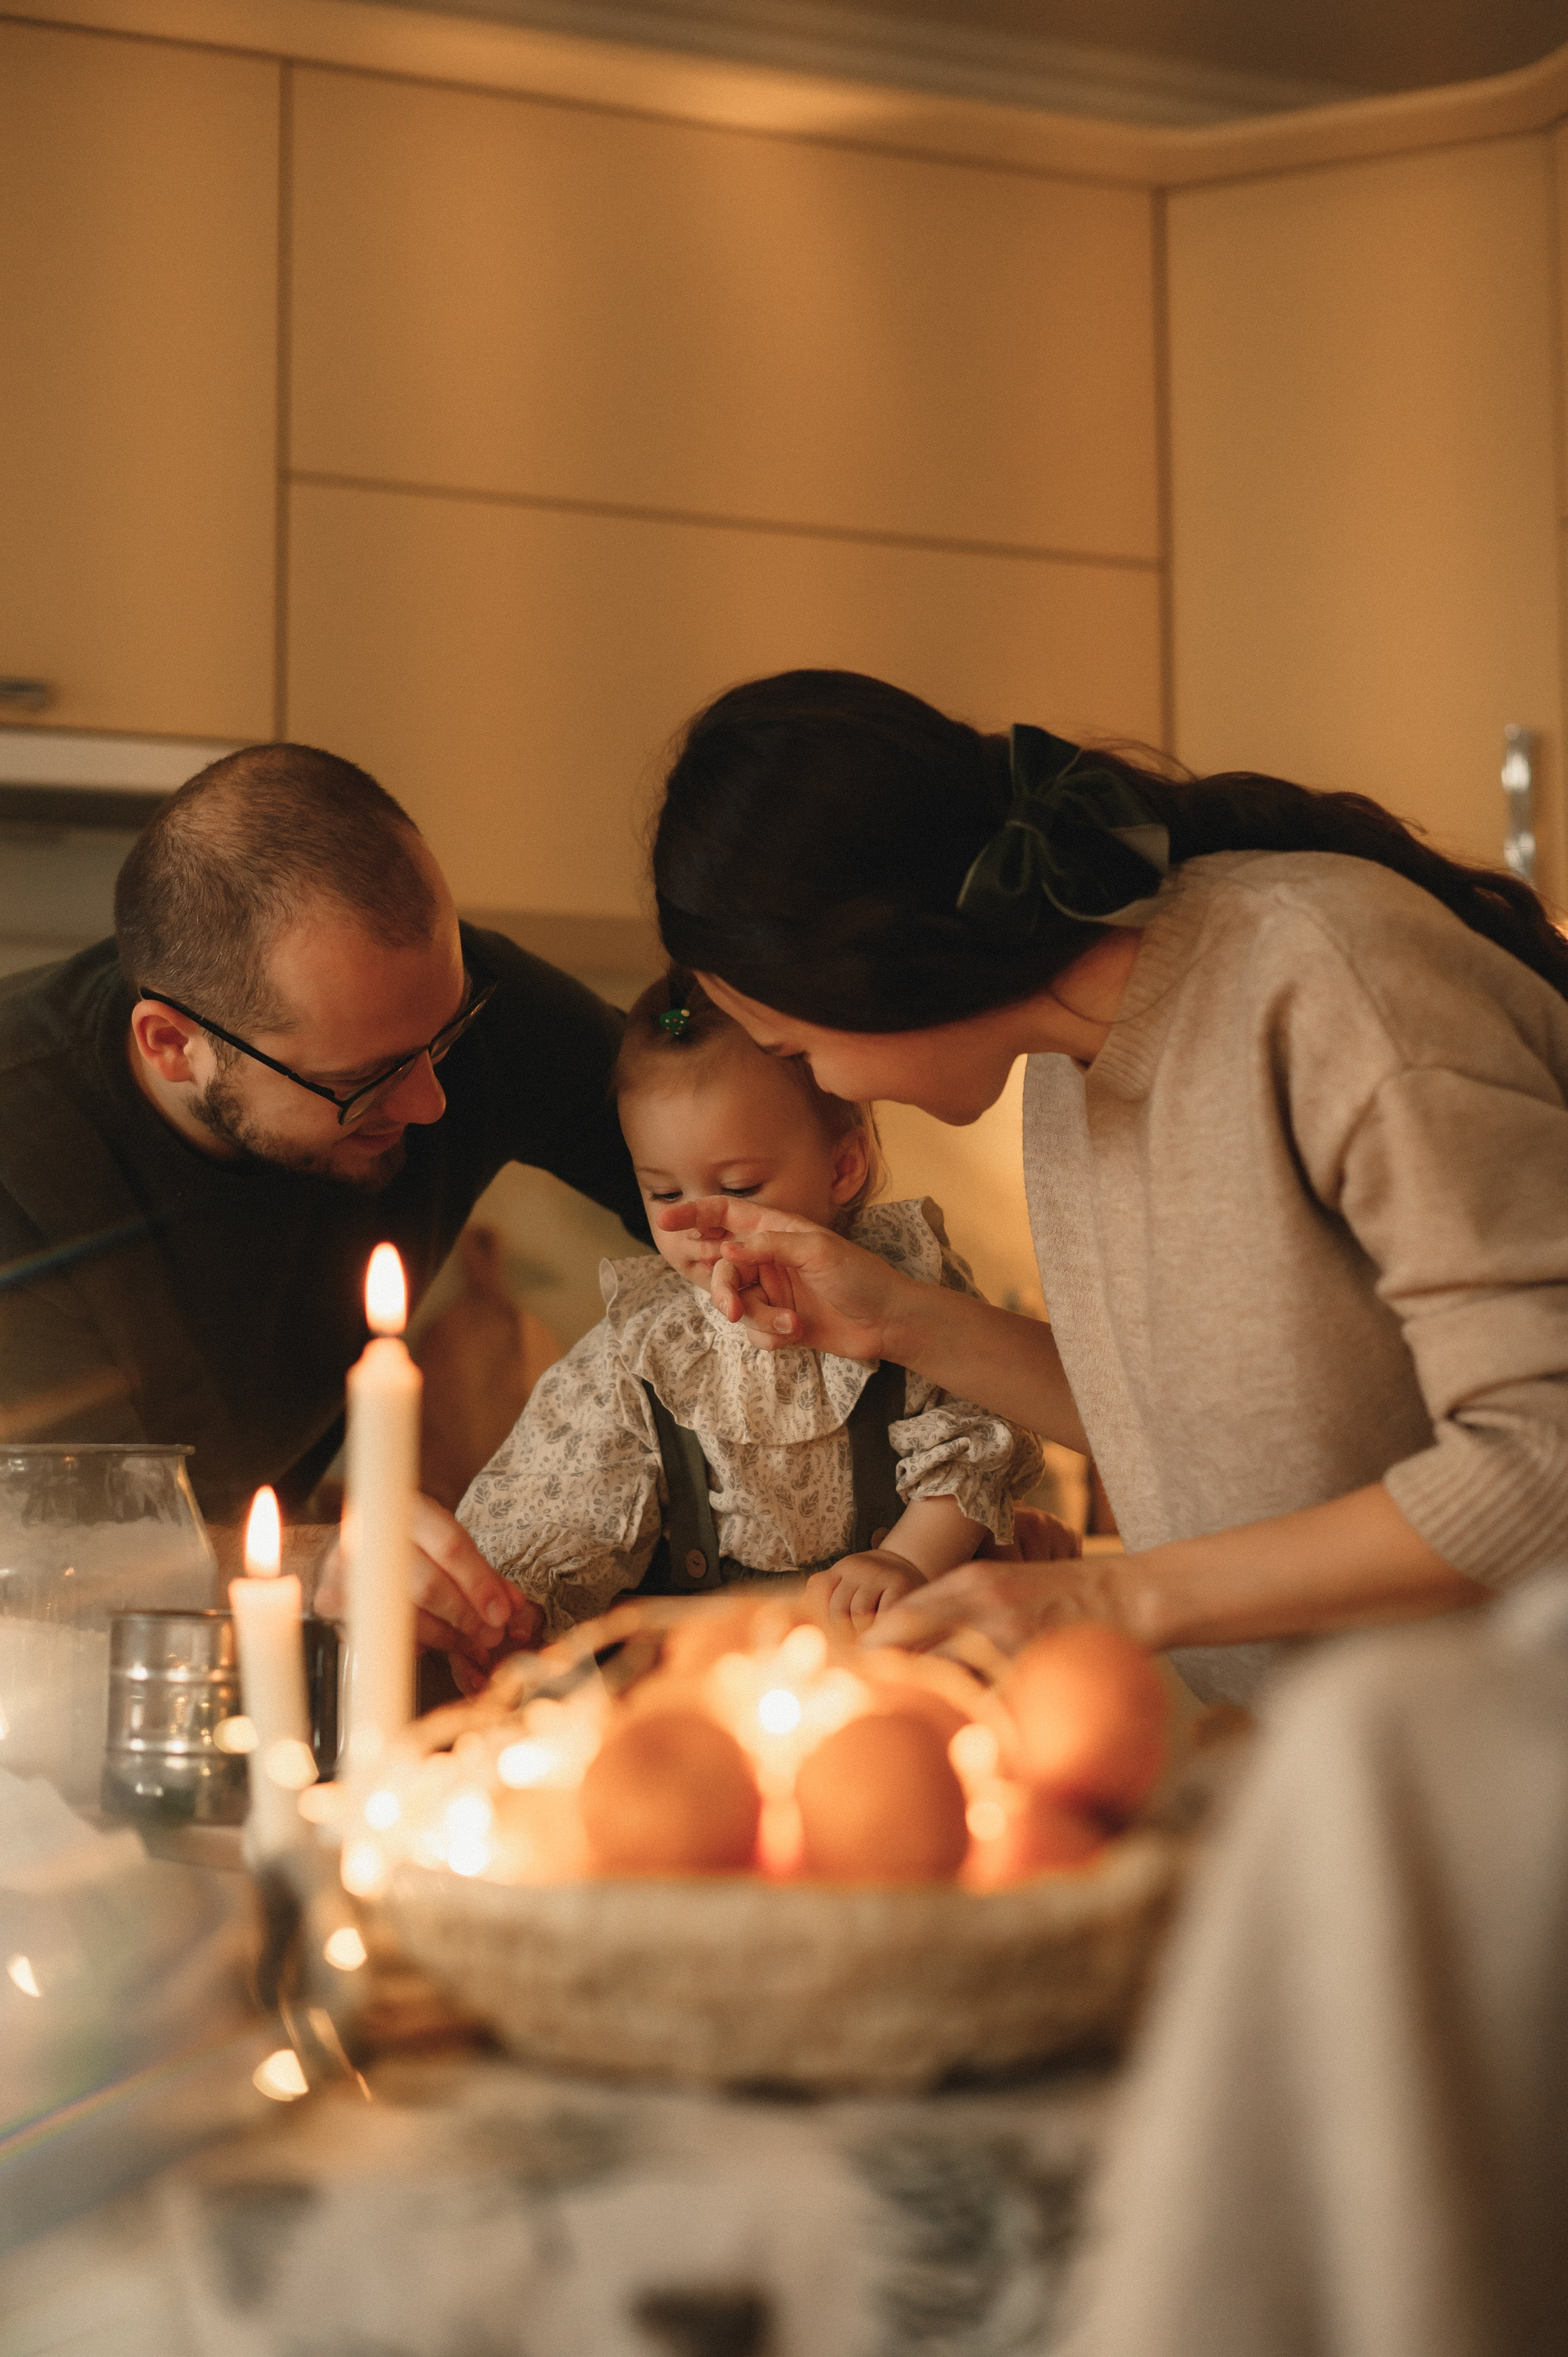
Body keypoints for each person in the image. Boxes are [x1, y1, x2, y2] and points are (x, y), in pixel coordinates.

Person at [644, 669, 1568, 1703]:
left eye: (794, 1049)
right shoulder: (1065, 1068)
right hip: (1308, 1753)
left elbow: (1544, 1459)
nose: (826, 1086)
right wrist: (894, 1318)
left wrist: (1108, 1596)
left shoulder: (1329, 983)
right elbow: (1189, 1425)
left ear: (870, 974)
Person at [0, 744, 644, 1670]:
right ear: (173, 1043)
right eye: (362, 1081)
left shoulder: (425, 1011)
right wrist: (322, 1562)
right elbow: (63, 1554)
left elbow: (687, 1062)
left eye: (445, 1040)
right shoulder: (23, 1157)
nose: (430, 1101)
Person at [455, 970, 1054, 1667]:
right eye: (664, 1193)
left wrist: (908, 1561)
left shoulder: (908, 1292)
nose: (700, 1223)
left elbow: (975, 1443)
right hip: (707, 1676)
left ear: (843, 1167)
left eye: (738, 1187)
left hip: (887, 1663)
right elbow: (561, 1503)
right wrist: (514, 1609)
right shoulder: (643, 1347)